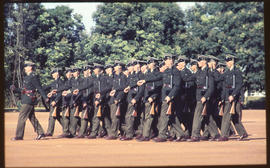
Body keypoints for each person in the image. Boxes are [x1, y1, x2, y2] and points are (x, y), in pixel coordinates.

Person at [11, 61, 48, 140]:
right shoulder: (27, 77)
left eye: (26, 66)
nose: (25, 68)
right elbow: (24, 90)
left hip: (29, 99)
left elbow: (39, 88)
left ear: (30, 67)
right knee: (32, 117)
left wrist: (45, 97)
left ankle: (19, 136)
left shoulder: (33, 77)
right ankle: (41, 133)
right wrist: (15, 89)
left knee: (22, 117)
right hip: (25, 99)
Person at [153, 54, 186, 142]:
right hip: (165, 97)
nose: (168, 62)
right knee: (171, 117)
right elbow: (160, 81)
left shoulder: (176, 71)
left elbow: (177, 86)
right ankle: (180, 134)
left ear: (172, 61)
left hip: (172, 98)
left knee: (164, 116)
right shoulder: (166, 71)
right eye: (166, 60)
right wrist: (145, 80)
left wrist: (170, 96)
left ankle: (162, 135)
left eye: (170, 60)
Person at [187, 55, 219, 142]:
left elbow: (211, 87)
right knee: (207, 116)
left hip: (204, 97)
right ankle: (215, 134)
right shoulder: (199, 72)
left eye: (200, 61)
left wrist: (205, 96)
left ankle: (195, 135)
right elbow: (188, 78)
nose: (198, 63)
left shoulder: (209, 72)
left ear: (204, 61)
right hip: (199, 97)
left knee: (197, 116)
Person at [217, 54, 248, 141]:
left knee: (226, 116)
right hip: (227, 97)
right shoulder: (226, 72)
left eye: (229, 61)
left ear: (233, 61)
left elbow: (239, 85)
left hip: (233, 98)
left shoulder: (237, 71)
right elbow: (218, 79)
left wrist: (233, 95)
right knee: (234, 117)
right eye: (227, 61)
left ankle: (224, 135)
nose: (228, 63)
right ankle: (243, 133)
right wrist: (213, 70)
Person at [44, 68, 64, 137]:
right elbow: (46, 88)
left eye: (53, 73)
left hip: (56, 102)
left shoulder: (60, 82)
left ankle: (49, 132)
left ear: (57, 74)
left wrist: (56, 101)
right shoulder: (53, 82)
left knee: (52, 116)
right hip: (53, 101)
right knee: (57, 116)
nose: (52, 75)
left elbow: (60, 92)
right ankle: (70, 128)